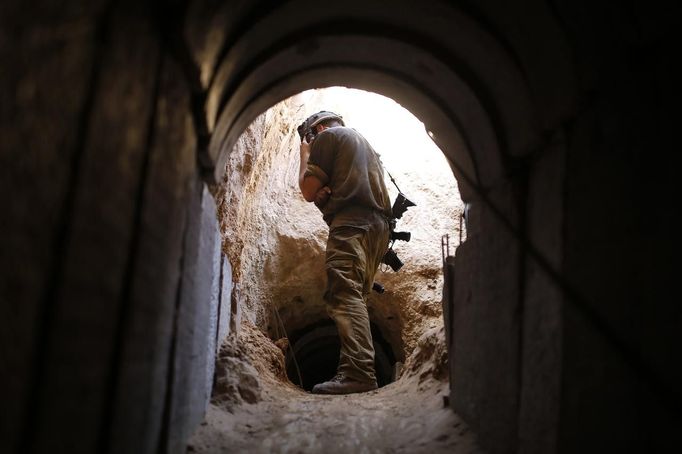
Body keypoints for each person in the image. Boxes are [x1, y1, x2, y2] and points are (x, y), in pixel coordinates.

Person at [297, 111, 392, 394]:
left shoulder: (328, 137)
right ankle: (352, 369)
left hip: (351, 224)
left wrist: (304, 154)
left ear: (319, 129)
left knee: (343, 294)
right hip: (377, 230)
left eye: (310, 138)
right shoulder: (365, 146)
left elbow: (307, 189)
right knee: (355, 298)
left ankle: (358, 373)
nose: (312, 144)